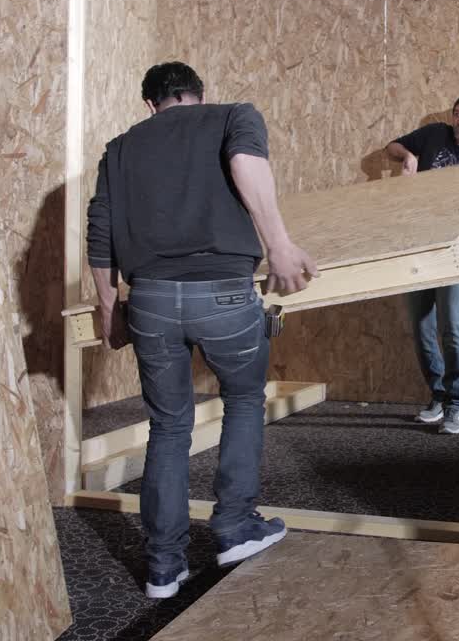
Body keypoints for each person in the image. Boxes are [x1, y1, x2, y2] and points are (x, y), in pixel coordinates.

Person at [86, 62, 318, 598]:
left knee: (168, 427)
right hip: (225, 292)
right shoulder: (234, 116)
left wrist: (107, 307)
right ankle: (235, 529)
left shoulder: (119, 148)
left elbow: (100, 227)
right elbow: (245, 163)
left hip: (150, 300)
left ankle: (163, 568)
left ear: (150, 103)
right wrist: (278, 245)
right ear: (199, 94)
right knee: (241, 400)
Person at [385, 92, 459, 435]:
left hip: (454, 252)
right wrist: (409, 156)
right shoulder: (433, 135)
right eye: (457, 114)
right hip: (418, 246)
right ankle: (438, 394)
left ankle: (455, 405)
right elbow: (391, 147)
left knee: (453, 328)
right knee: (421, 327)